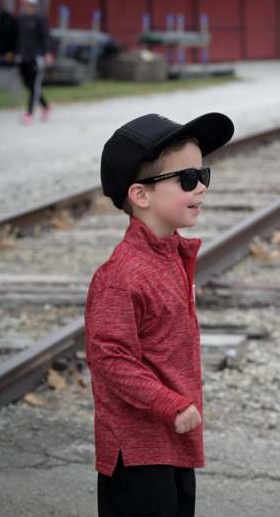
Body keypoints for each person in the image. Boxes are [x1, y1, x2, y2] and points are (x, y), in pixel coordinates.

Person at [86, 112, 234, 517]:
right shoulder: (121, 276)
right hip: (136, 454)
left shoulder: (169, 256)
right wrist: (171, 403)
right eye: (186, 179)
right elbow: (110, 359)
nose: (201, 185)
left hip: (174, 441)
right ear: (142, 195)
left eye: (203, 173)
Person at [15, 0, 53, 125]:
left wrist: (47, 53)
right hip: (23, 57)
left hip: (36, 57)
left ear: (31, 2)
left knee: (35, 85)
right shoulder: (21, 19)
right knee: (28, 84)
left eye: (25, 1)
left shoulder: (39, 18)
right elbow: (18, 39)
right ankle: (46, 106)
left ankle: (29, 114)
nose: (23, 3)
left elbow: (45, 37)